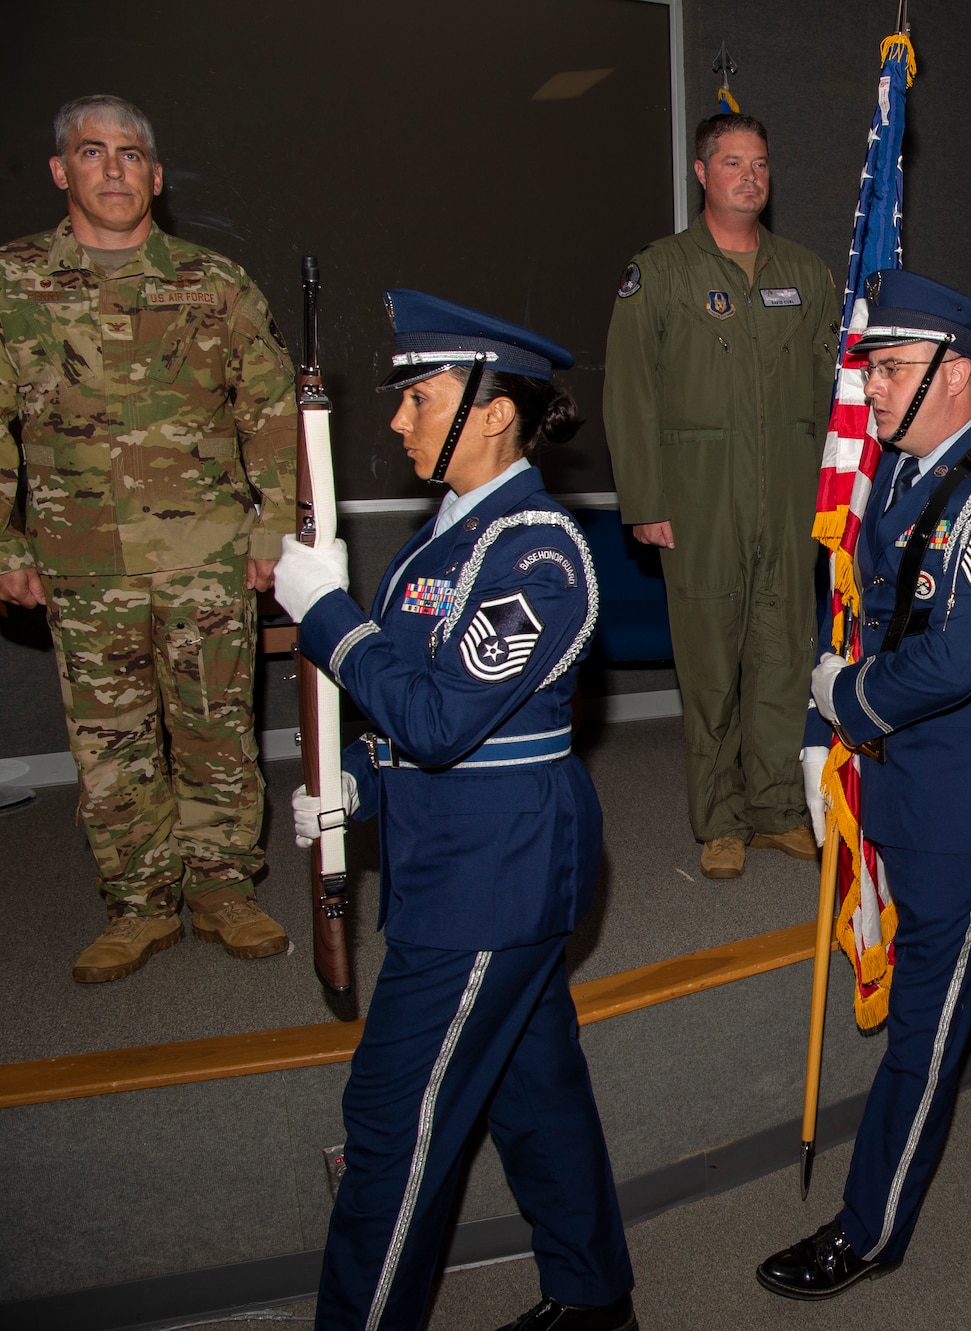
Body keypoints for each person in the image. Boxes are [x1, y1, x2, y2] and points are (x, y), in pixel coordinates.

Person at [280, 292, 634, 1331]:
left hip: (494, 868)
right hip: (458, 848)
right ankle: (592, 1292)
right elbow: (409, 711)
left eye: (419, 396)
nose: (396, 418)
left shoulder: (536, 552)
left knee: (393, 1121)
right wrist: (355, 776)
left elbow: (438, 717)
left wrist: (327, 616)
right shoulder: (444, 537)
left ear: (492, 410)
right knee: (532, 1086)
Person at [755, 271, 971, 1300]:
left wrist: (844, 697)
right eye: (870, 371)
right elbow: (856, 613)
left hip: (970, 800)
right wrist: (826, 730)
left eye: (891, 369)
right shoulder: (897, 479)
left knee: (924, 1024)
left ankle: (866, 1228)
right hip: (899, 779)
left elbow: (949, 661)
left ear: (956, 374)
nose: (870, 393)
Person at [0, 95, 295, 981]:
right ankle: (137, 905)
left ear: (157, 177)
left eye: (131, 154)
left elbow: (271, 412)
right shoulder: (14, 284)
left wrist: (273, 527)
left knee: (216, 729)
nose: (115, 167)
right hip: (80, 558)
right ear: (62, 172)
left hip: (206, 552)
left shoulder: (215, 282)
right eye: (94, 152)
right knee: (110, 741)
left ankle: (221, 889)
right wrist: (7, 546)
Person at [602, 111, 841, 880]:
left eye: (762, 163)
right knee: (710, 663)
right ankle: (718, 817)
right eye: (733, 162)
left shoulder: (805, 274)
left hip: (791, 496)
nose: (751, 176)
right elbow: (630, 393)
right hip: (699, 498)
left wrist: (840, 492)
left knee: (782, 655)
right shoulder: (661, 271)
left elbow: (838, 391)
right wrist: (644, 498)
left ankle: (775, 808)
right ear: (701, 173)